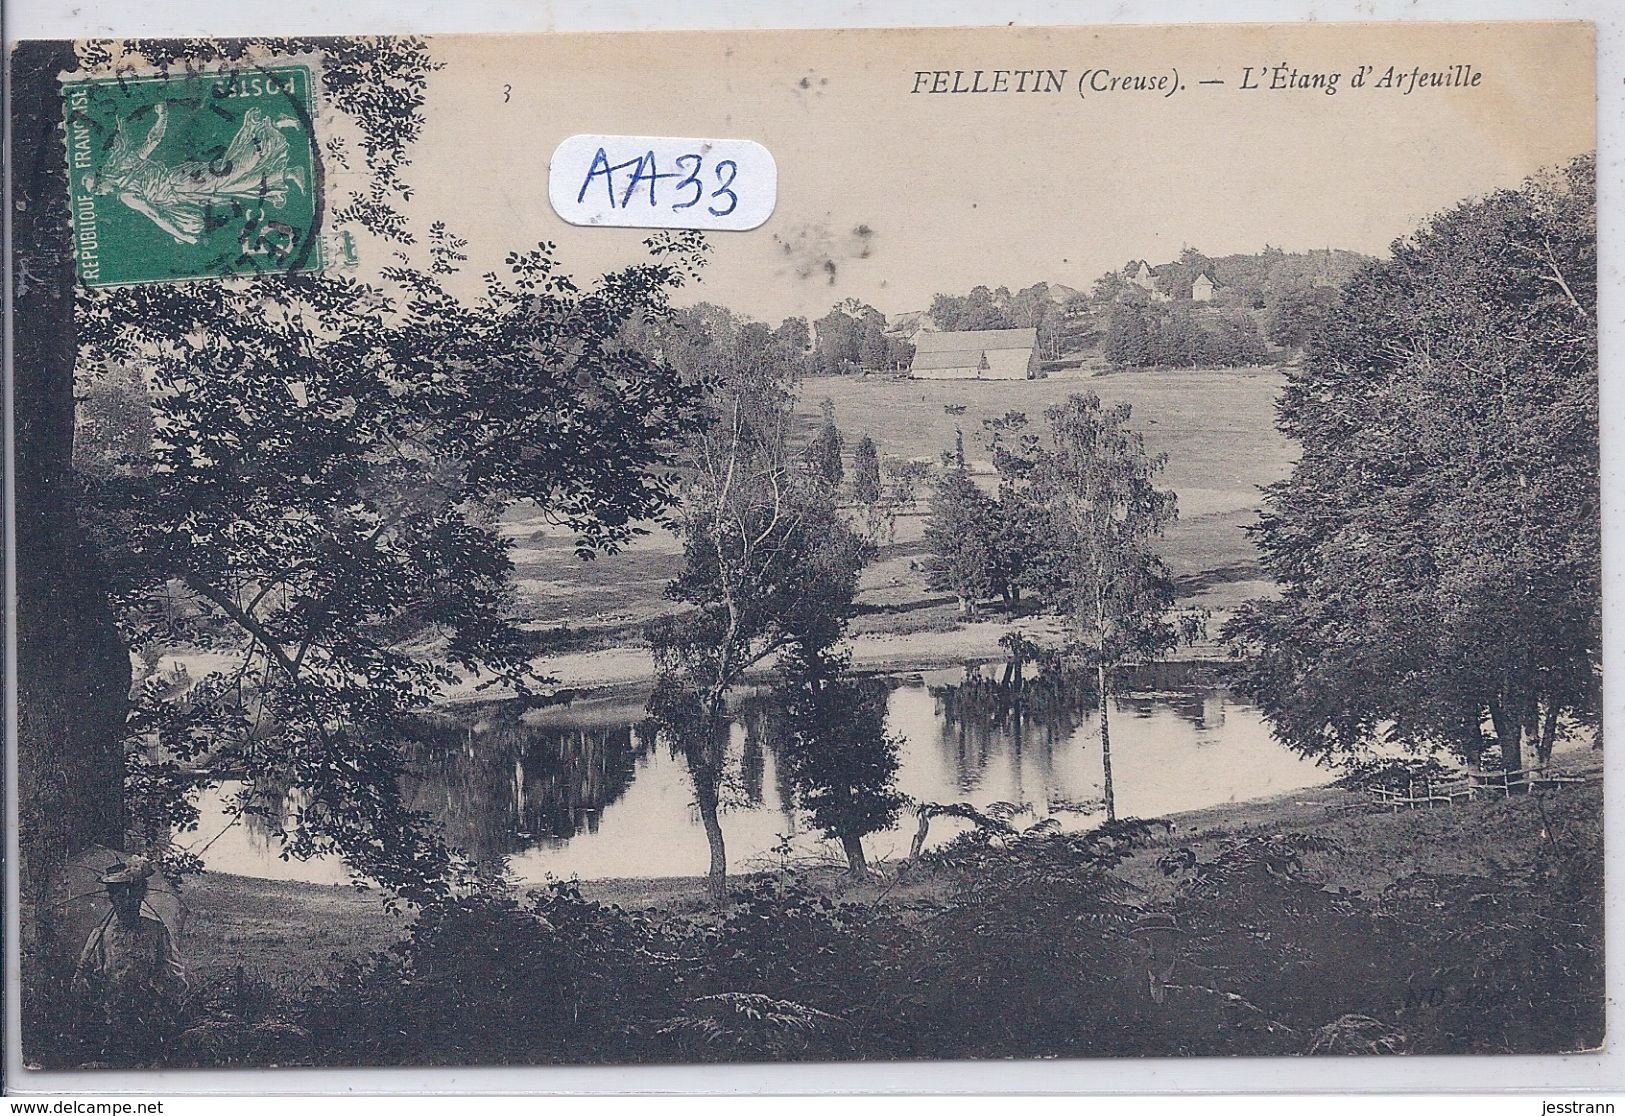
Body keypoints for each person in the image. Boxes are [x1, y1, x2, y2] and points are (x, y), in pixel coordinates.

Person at [72, 856, 188, 1063]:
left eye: (132, 894)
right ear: (111, 898)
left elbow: (175, 977)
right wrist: (85, 980)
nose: (126, 901)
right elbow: (82, 983)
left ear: (141, 895)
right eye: (119, 895)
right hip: (109, 1023)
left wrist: (157, 996)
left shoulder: (156, 932)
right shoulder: (100, 935)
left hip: (150, 1021)